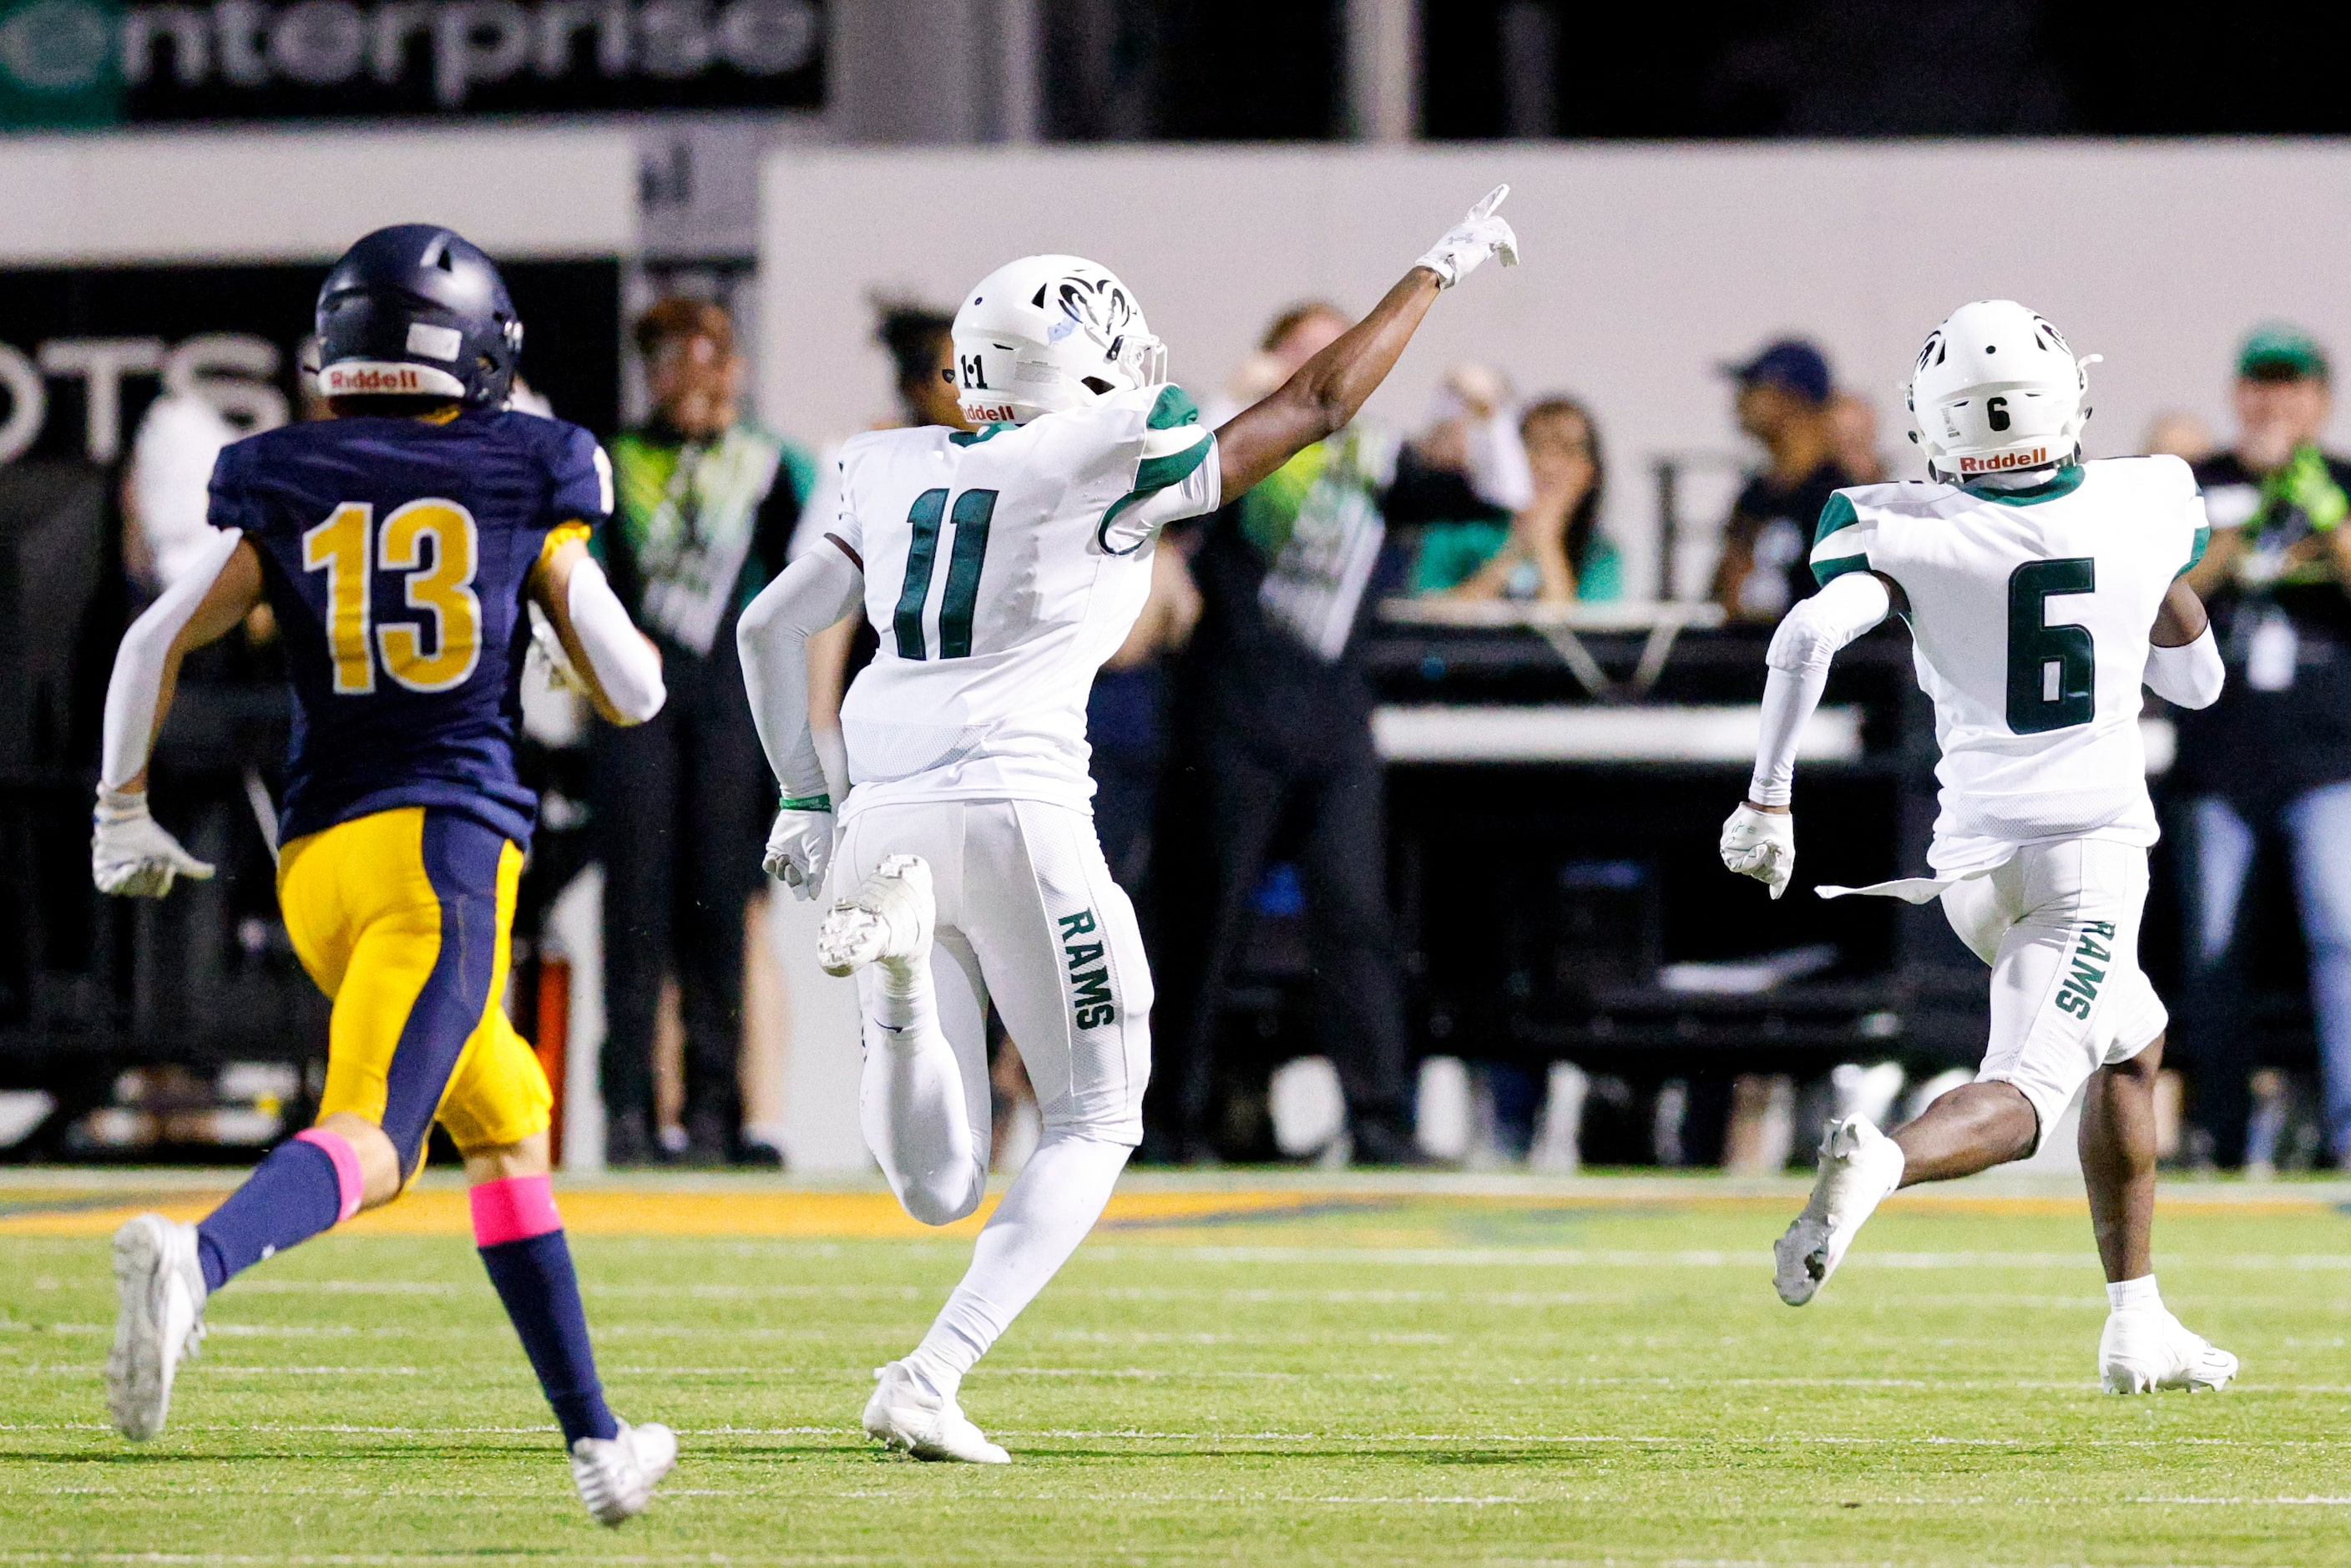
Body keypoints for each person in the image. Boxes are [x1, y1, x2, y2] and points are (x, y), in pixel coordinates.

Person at [735, 188, 1520, 1461]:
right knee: (1098, 1118)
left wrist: (802, 791)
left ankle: (893, 986)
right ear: (1086, 364)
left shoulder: (875, 463)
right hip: (1018, 807)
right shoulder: (1105, 450)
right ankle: (930, 1374)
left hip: (883, 810)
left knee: (938, 1186)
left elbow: (769, 627)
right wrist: (1436, 269)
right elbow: (1319, 406)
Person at [89, 226, 678, 1519]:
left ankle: (599, 1441)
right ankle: (200, 1255)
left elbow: (151, 642)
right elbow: (636, 687)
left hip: (318, 868)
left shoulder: (290, 469)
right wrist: (566, 641)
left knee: (506, 1118)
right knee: (378, 1140)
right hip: (444, 852)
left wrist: (119, 809)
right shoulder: (526, 465)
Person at [1721, 299, 2237, 1393]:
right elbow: (2199, 682)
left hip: (1971, 867)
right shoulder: (2144, 500)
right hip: (2086, 855)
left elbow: (1808, 630)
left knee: (2132, 1040)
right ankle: (1885, 1158)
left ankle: (2135, 1319)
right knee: (2027, 1097)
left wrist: (1769, 802)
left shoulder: (1898, 518)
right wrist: (2142, 594)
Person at [1152, 301, 1532, 1166]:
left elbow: (1502, 495)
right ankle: (1170, 1122)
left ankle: (1380, 1124)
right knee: (1200, 928)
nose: (1324, 364)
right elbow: (1176, 483)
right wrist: (1235, 392)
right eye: (1300, 349)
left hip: (1333, 730)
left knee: (1357, 925)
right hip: (1228, 717)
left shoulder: (1370, 457)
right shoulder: (1237, 448)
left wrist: (1489, 413)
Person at [594, 298, 813, 1166]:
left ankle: (722, 1113)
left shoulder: (773, 464)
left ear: (735, 366)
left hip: (735, 707)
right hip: (635, 708)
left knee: (722, 915)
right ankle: (633, 1113)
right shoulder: (614, 462)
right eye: (669, 361)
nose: (690, 378)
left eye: (707, 358)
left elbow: (814, 590)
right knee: (635, 919)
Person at [2172, 325, 2351, 1166]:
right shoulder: (2199, 485)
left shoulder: (2339, 483)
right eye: (2258, 383)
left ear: (2320, 398)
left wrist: (2320, 509)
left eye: (2290, 385)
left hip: (2328, 760)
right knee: (2212, 954)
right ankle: (2220, 1135)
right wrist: (2238, 542)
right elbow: (2162, 592)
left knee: (2340, 937)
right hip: (2218, 760)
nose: (2271, 401)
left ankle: (2347, 1130)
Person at [1418, 395, 1620, 602]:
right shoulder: (1458, 532)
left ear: (1589, 472)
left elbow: (1572, 630)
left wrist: (1545, 544)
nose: (1547, 465)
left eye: (1567, 450)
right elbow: (1426, 611)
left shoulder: (1601, 554)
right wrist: (1513, 553)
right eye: (1534, 447)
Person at [1710, 339, 1857, 623]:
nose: (1740, 401)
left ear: (1792, 398)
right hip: (1746, 661)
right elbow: (1723, 596)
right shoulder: (1755, 495)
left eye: (1753, 388)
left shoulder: (1837, 500)